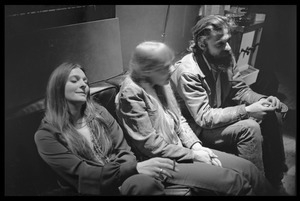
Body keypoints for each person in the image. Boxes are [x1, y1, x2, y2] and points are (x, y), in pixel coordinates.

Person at [115, 41, 276, 196]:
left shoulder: (159, 81)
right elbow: (150, 146)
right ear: (147, 70)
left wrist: (196, 146)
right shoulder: (131, 94)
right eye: (165, 67)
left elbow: (180, 121)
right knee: (234, 180)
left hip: (183, 150)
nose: (172, 69)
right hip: (161, 161)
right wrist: (193, 155)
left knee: (248, 168)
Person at [169, 14, 287, 190]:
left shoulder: (225, 55)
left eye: (228, 40)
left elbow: (240, 89)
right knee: (249, 127)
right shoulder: (188, 71)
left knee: (271, 111)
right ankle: (256, 187)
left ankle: (275, 175)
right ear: (202, 44)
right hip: (199, 128)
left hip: (219, 113)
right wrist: (247, 110)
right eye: (220, 43)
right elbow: (204, 118)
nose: (228, 47)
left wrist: (263, 100)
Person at [34, 62, 180, 196]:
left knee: (144, 183)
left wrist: (127, 174)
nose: (84, 85)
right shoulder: (46, 135)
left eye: (85, 81)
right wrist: (132, 170)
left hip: (123, 180)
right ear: (58, 88)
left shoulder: (100, 113)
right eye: (74, 80)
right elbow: (83, 174)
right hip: (90, 190)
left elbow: (124, 151)